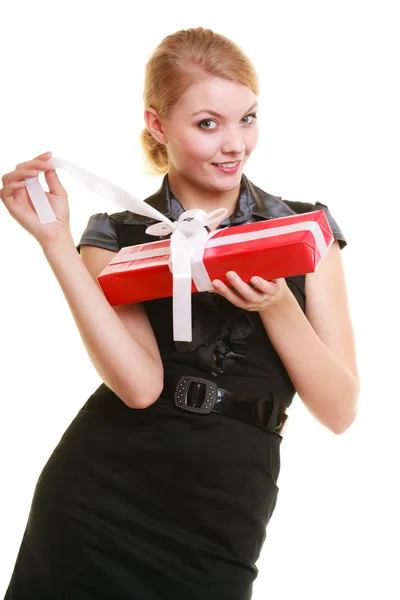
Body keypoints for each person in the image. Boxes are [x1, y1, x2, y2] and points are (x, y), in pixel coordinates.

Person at [1, 27, 360, 600]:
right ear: (157, 124)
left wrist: (278, 307)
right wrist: (53, 242)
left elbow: (340, 410)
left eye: (248, 117)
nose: (235, 144)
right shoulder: (116, 235)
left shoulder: (302, 230)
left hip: (223, 515)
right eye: (208, 123)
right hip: (97, 504)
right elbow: (140, 387)